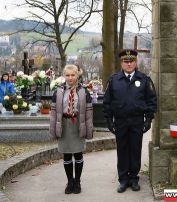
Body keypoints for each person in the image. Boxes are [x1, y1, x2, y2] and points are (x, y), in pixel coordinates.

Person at [103, 49, 157, 193]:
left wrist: (149, 119)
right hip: (120, 121)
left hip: (137, 120)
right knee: (122, 150)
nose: (128, 64)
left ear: (135, 62)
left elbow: (151, 100)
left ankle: (133, 178)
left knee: (135, 149)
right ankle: (123, 180)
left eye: (131, 61)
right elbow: (107, 102)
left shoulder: (144, 79)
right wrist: (109, 119)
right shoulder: (114, 80)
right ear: (121, 63)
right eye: (125, 61)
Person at [49, 64, 93, 194]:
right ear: (64, 76)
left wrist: (89, 130)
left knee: (78, 153)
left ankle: (77, 181)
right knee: (67, 154)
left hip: (78, 124)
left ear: (77, 75)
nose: (70, 78)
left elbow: (89, 113)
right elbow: (53, 113)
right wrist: (53, 131)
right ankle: (70, 181)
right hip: (64, 124)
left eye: (72, 75)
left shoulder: (84, 92)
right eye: (67, 75)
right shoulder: (58, 92)